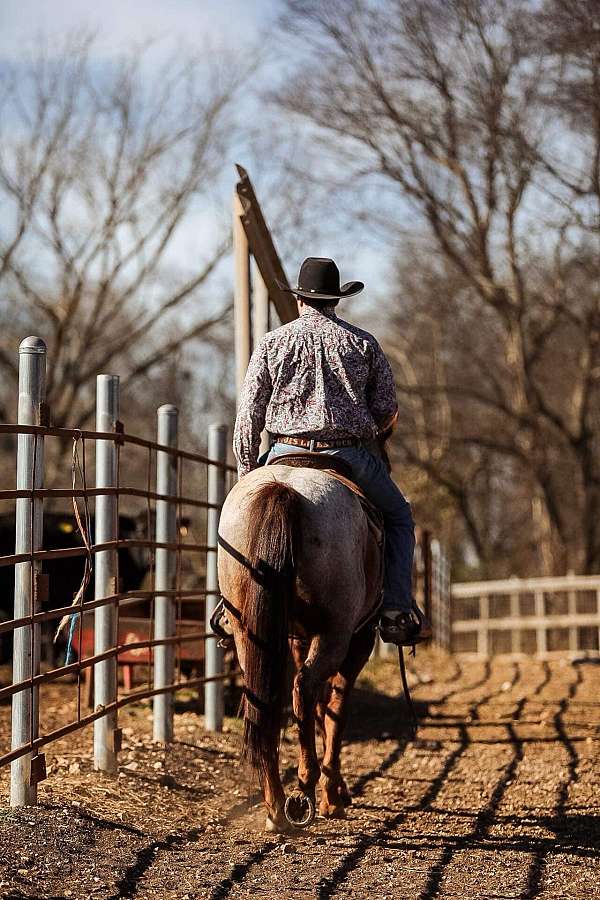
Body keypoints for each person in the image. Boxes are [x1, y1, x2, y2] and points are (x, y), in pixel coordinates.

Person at [233, 257, 431, 646]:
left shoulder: (272, 343)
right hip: (349, 457)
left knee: (236, 518)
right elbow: (386, 410)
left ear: (301, 300)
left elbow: (248, 415)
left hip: (282, 453)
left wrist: (245, 474)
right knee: (399, 518)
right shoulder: (362, 343)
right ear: (335, 301)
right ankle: (394, 609)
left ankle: (228, 608)